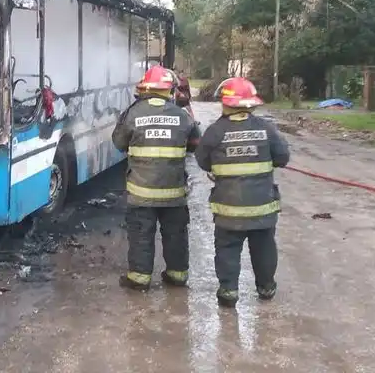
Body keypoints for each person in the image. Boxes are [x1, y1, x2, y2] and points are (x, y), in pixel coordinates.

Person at [194, 77, 291, 307]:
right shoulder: (266, 128)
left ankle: (228, 291)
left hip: (229, 209)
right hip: (262, 208)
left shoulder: (215, 131)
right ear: (251, 104)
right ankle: (266, 288)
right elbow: (283, 157)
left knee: (227, 249)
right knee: (264, 248)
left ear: (226, 103)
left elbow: (202, 160)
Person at [112, 66, 201, 291]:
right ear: (169, 90)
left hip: (141, 193)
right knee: (175, 235)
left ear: (143, 89)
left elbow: (119, 143)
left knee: (141, 234)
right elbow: (194, 146)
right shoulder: (182, 115)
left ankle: (140, 279)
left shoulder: (133, 113)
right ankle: (177, 275)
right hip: (174, 193)